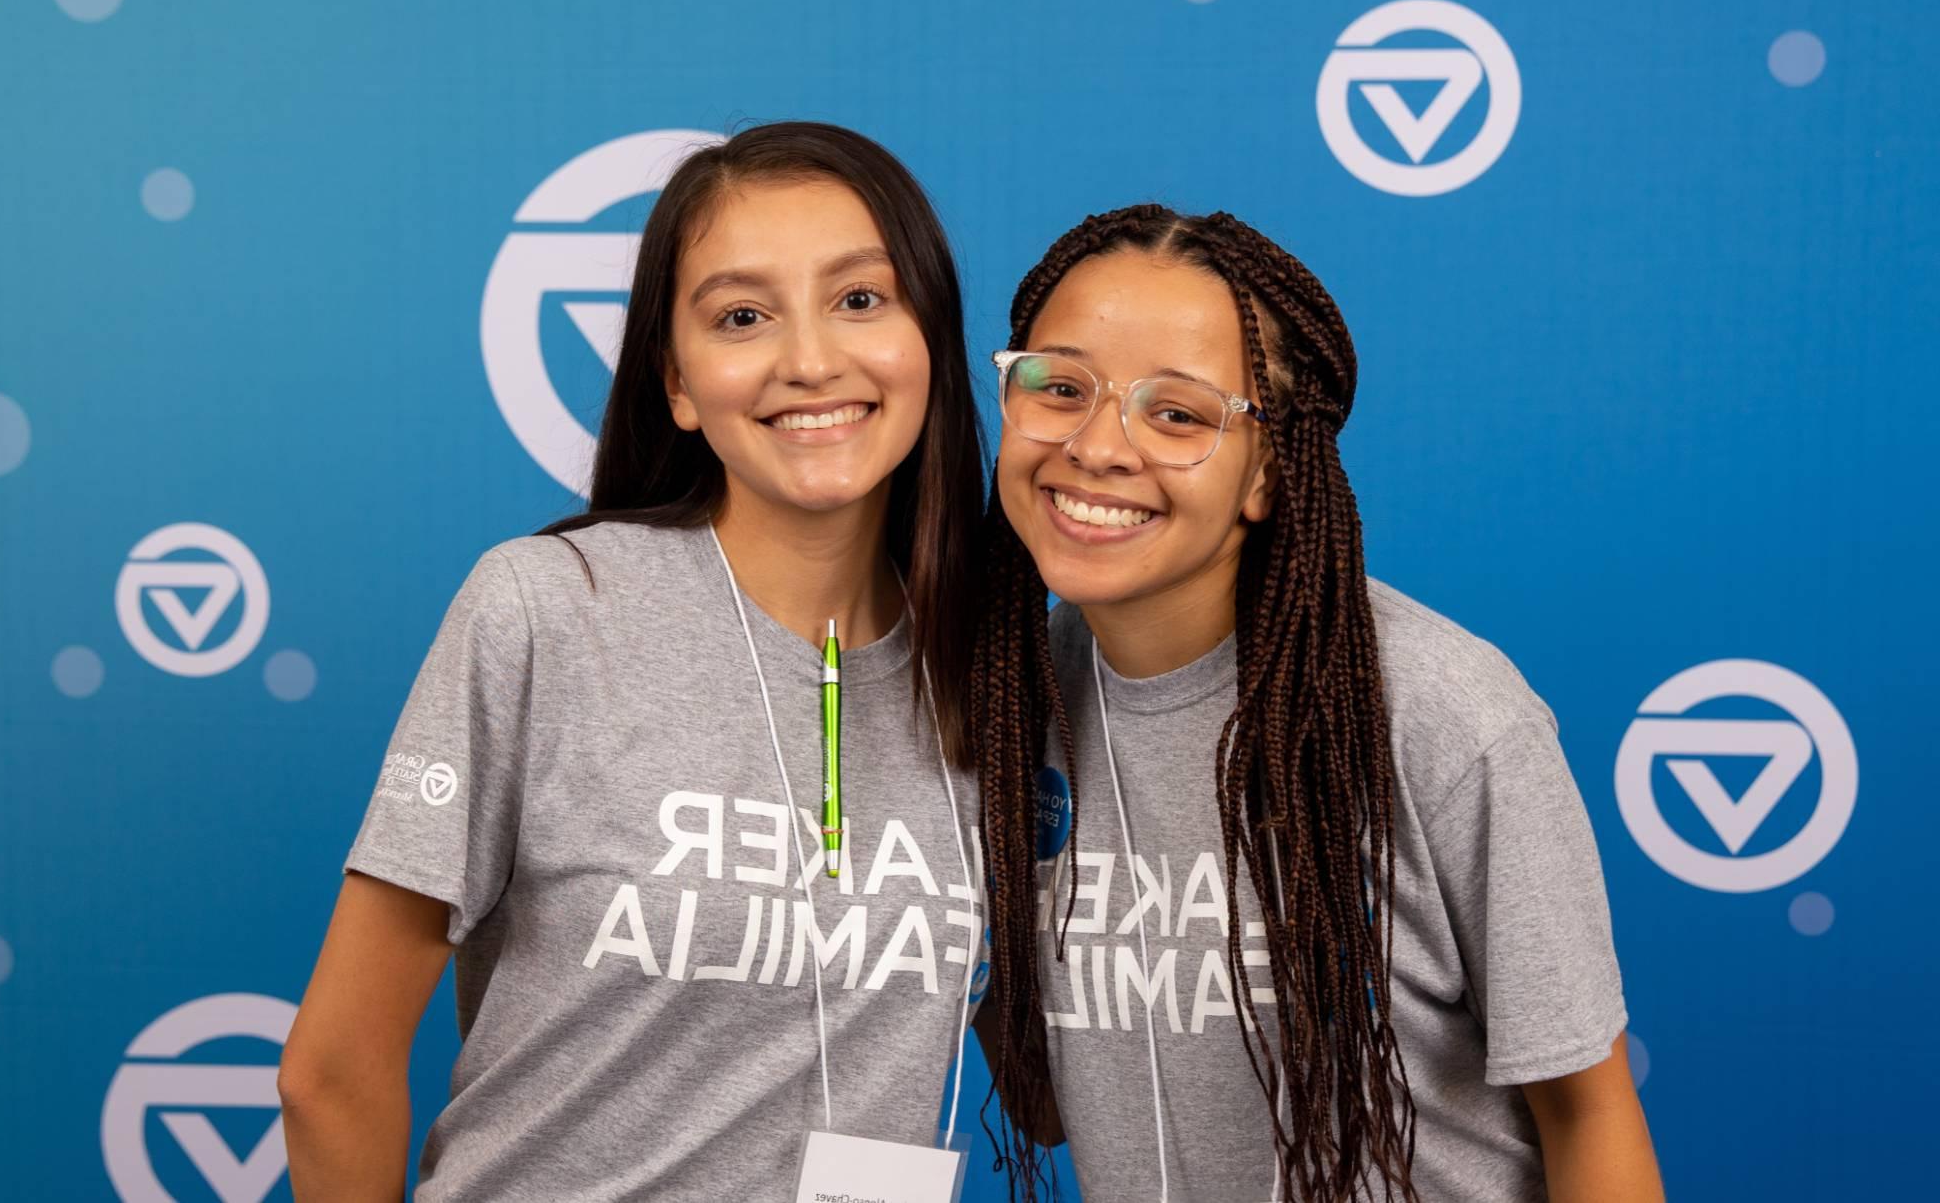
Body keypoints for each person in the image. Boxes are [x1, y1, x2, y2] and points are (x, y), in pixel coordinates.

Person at [278, 121, 988, 1201]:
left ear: (928, 334)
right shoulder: (546, 610)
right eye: (742, 316)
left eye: (858, 298)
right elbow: (329, 1072)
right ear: (677, 382)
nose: (809, 359)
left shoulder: (1002, 675)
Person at [970, 204, 1665, 1202]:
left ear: (1267, 470)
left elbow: (1589, 1113)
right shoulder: (1008, 705)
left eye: (1176, 412)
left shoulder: (1444, 716)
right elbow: (1042, 1103)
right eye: (1057, 386)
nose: (1095, 446)